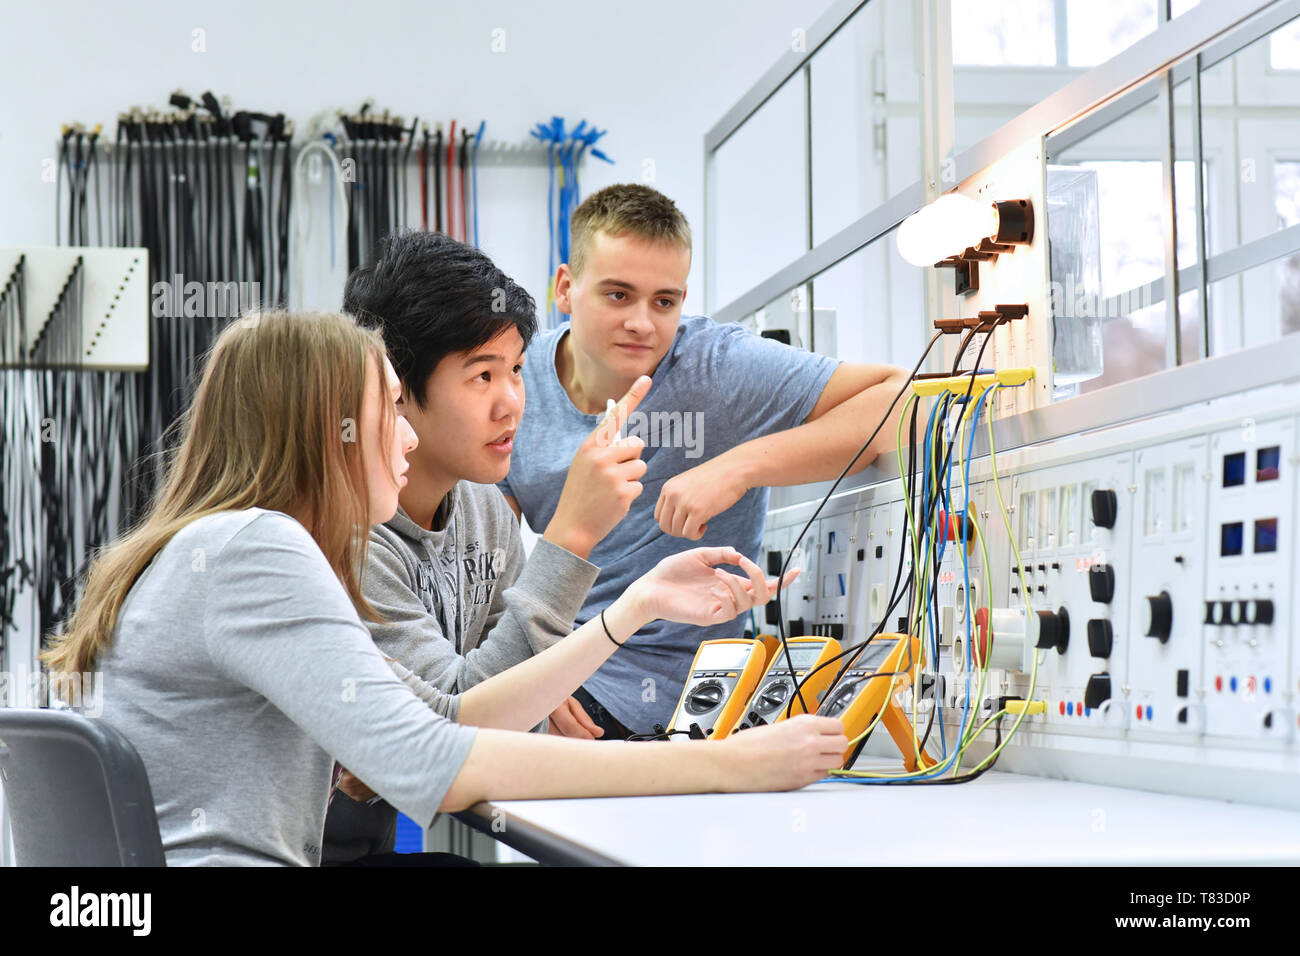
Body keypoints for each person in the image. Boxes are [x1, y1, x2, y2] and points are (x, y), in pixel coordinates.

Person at [41, 310, 848, 866]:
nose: (405, 433)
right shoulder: (258, 548)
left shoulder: (218, 549)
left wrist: (635, 609)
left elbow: (449, 716)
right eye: (390, 406)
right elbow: (439, 759)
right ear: (331, 430)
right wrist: (726, 767)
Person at [501, 184, 912, 738]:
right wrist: (539, 666)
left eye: (664, 301)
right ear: (566, 289)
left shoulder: (718, 368)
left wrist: (739, 466)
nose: (643, 323)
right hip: (552, 668)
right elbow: (488, 553)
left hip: (671, 698)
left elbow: (905, 399)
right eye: (618, 295)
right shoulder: (517, 388)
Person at [323, 231, 649, 862]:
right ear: (393, 387)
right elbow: (454, 727)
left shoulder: (483, 509)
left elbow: (515, 688)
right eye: (481, 375)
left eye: (518, 371)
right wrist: (571, 535)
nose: (511, 403)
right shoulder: (348, 537)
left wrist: (542, 697)